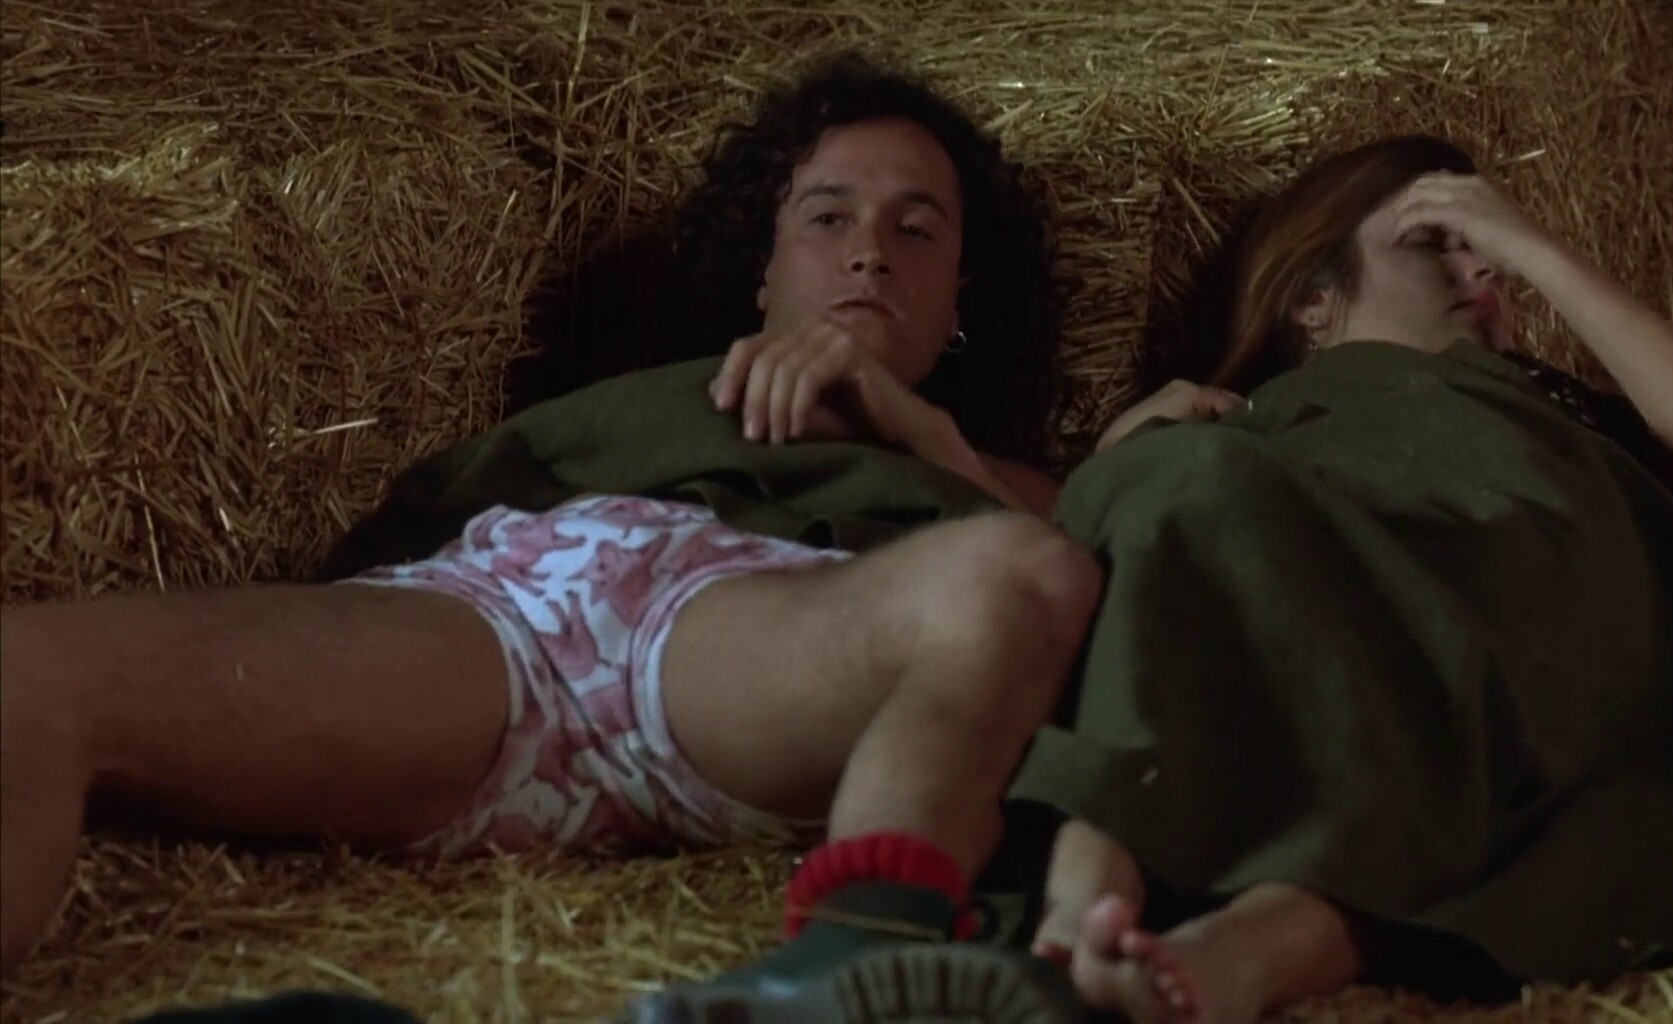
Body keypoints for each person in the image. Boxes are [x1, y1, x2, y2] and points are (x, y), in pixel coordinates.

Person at [0, 54, 1104, 1021]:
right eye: (827, 217)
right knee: (34, 674)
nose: (869, 255)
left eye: (916, 229)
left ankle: (842, 968)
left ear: (961, 297)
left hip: (737, 647)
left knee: (1012, 575)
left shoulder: (1019, 491)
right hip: (494, 613)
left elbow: (1080, 619)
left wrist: (922, 437)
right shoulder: (645, 405)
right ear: (764, 267)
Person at [979, 135, 1673, 1024]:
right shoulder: (1242, 436)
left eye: (1484, 242)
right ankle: (1093, 903)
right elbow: (1088, 583)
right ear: (1311, 298)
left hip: (1502, 643)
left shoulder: (1561, 414)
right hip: (1328, 667)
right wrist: (1125, 457)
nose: (1479, 265)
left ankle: (1225, 951)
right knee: (1170, 485)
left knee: (1432, 731)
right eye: (1432, 239)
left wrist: (1533, 248)